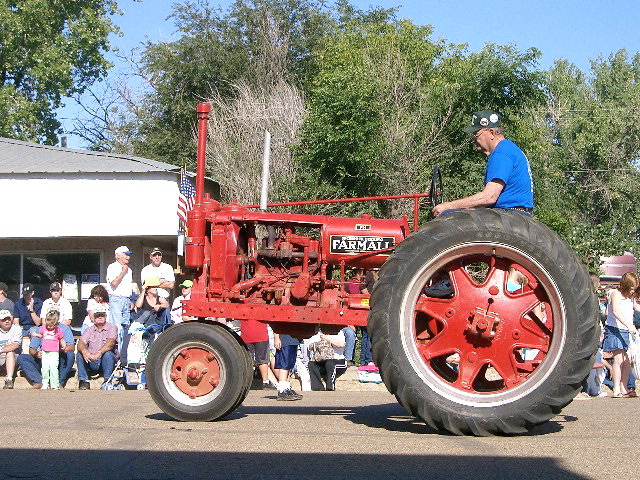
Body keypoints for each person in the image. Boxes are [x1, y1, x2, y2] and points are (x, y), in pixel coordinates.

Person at [433, 111, 534, 218]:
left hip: (508, 216)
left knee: (447, 215)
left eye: (476, 134)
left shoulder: (501, 153)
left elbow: (490, 197)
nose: (473, 140)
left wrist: (448, 206)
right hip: (513, 214)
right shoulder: (508, 149)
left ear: (491, 132)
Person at [602, 272, 640, 398]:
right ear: (626, 285)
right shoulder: (616, 294)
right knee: (619, 360)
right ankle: (616, 388)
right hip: (614, 330)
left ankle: (624, 387)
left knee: (627, 361)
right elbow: (616, 312)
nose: (633, 290)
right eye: (632, 287)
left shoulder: (630, 296)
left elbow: (636, 307)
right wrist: (629, 325)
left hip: (625, 331)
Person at [17, 313, 75, 389]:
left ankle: (59, 382)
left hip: (57, 356)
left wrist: (60, 349)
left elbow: (71, 347)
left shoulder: (64, 329)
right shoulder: (41, 329)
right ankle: (38, 381)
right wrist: (37, 354)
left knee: (70, 355)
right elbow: (31, 349)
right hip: (43, 356)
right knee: (22, 358)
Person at [76, 306, 118, 390]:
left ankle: (107, 380)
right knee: (80, 353)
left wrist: (99, 352)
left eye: (102, 315)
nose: (100, 317)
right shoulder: (89, 330)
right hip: (91, 360)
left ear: (105, 317)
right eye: (97, 316)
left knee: (108, 354)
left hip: (105, 361)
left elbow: (111, 343)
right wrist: (85, 351)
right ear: (93, 319)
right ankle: (83, 381)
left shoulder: (112, 327)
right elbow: (81, 343)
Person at [31, 310, 66, 389]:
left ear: (56, 324)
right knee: (45, 368)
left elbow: (61, 339)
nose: (49, 327)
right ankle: (45, 383)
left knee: (53, 368)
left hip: (54, 352)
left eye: (51, 326)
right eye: (48, 325)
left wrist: (63, 344)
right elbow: (41, 335)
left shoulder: (58, 330)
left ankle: (54, 384)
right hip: (45, 351)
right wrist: (36, 335)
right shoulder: (43, 328)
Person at [106, 246, 134, 338]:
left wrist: (129, 300)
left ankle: (123, 351)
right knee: (116, 327)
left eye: (128, 255)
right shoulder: (112, 267)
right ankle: (116, 350)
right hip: (116, 299)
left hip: (126, 299)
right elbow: (114, 283)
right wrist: (123, 272)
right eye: (125, 254)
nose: (128, 257)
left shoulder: (129, 270)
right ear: (118, 256)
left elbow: (127, 287)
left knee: (126, 326)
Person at [241, 319, 275, 390]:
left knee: (248, 360)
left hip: (246, 334)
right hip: (261, 335)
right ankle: (265, 382)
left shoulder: (244, 308)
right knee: (262, 360)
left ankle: (247, 383)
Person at [273, 333, 303, 401]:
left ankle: (287, 388)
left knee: (289, 366)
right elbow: (276, 325)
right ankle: (282, 391)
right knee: (284, 365)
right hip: (284, 340)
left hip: (293, 339)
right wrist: (276, 338)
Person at [0, 309, 21, 389]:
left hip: (13, 359)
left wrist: (1, 350)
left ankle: (9, 380)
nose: (7, 321)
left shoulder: (16, 329)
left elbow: (15, 345)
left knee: (9, 352)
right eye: (4, 319)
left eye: (8, 319)